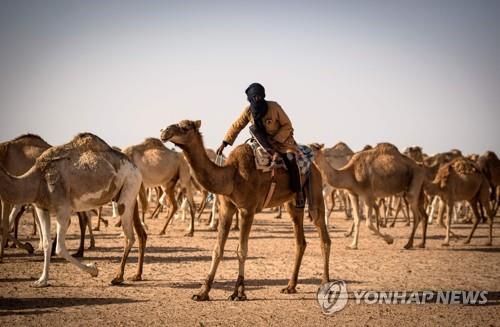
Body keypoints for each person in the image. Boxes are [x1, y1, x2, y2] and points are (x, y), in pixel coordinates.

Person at [216, 83, 305, 208]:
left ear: (263, 96)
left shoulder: (274, 107)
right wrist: (225, 143)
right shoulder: (248, 111)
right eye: (254, 97)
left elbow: (287, 125)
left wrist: (276, 139)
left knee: (291, 159)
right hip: (262, 142)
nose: (257, 99)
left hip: (282, 141)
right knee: (252, 129)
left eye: (259, 96)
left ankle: (298, 192)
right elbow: (237, 125)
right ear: (250, 99)